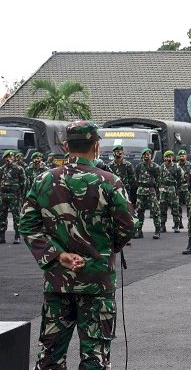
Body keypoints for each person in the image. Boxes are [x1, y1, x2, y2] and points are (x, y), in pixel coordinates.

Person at [19, 120, 135, 369]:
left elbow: (28, 225)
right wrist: (103, 251)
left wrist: (59, 256)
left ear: (65, 146)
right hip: (97, 284)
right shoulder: (109, 182)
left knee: (50, 358)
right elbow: (128, 226)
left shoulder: (43, 181)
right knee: (95, 359)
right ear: (96, 146)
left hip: (58, 282)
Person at [134, 148, 162, 239]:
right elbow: (136, 178)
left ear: (151, 155)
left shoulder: (156, 167)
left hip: (151, 191)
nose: (147, 156)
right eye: (145, 154)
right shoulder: (138, 167)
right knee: (139, 212)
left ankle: (157, 230)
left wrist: (156, 192)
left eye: (148, 154)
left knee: (155, 211)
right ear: (142, 156)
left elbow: (158, 180)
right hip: (141, 191)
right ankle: (139, 231)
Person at [0, 150, 26, 244]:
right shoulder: (2, 169)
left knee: (16, 216)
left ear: (13, 158)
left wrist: (21, 195)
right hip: (3, 196)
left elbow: (23, 183)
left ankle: (17, 236)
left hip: (14, 196)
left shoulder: (19, 169)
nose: (8, 159)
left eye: (10, 157)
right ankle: (2, 236)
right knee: (2, 216)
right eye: (7, 157)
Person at [159, 150, 184, 233]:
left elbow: (181, 177)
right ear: (164, 158)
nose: (169, 158)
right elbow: (158, 178)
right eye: (167, 157)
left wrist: (177, 188)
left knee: (175, 207)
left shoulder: (176, 167)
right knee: (162, 207)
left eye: (170, 156)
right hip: (163, 188)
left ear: (172, 157)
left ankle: (176, 225)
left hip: (172, 188)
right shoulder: (161, 167)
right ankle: (162, 225)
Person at [176, 149, 191, 229]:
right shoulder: (176, 165)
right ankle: (179, 222)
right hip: (179, 187)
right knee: (178, 205)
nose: (181, 157)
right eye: (180, 156)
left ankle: (190, 222)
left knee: (189, 205)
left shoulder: (190, 165)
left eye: (183, 155)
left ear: (186, 156)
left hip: (187, 188)